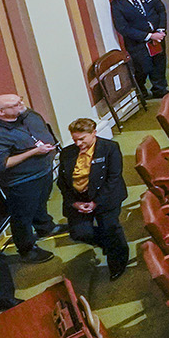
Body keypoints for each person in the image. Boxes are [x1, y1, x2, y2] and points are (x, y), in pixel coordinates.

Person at [56, 119, 127, 278]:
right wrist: (74, 203)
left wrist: (95, 202)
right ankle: (111, 245)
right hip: (79, 199)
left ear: (94, 133)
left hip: (105, 196)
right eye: (75, 139)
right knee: (79, 233)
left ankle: (118, 262)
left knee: (110, 228)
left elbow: (113, 178)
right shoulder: (67, 153)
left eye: (82, 139)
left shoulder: (110, 149)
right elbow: (62, 182)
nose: (78, 143)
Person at [0, 95, 59, 262]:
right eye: (15, 104)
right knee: (22, 216)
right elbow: (3, 164)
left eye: (21, 100)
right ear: (1, 112)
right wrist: (33, 152)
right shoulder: (0, 134)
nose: (22, 105)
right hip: (22, 181)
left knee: (40, 203)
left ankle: (45, 227)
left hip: (44, 170)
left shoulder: (26, 115)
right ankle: (27, 249)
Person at [110, 0, 169, 98]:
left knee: (159, 63)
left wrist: (160, 30)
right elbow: (123, 28)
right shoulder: (117, 5)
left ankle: (160, 90)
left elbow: (160, 9)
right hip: (138, 43)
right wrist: (148, 36)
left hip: (157, 36)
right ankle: (140, 92)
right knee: (143, 67)